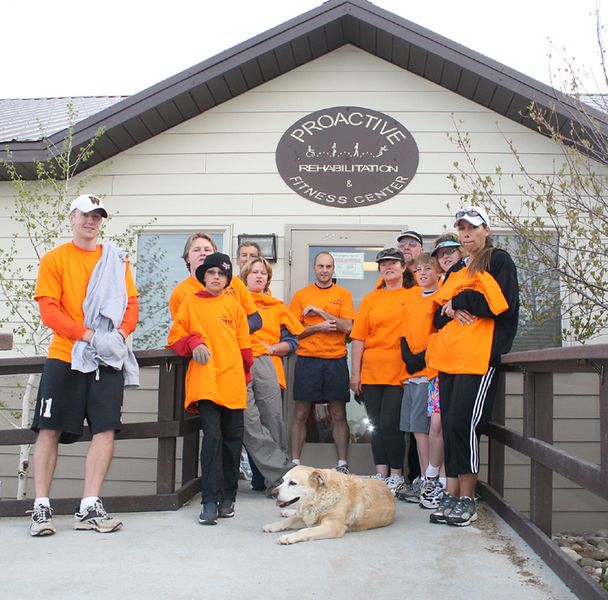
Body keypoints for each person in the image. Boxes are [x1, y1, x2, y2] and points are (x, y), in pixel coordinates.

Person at [29, 194, 139, 536]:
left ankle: (90, 505)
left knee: (106, 428)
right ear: (72, 218)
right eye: (85, 215)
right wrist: (90, 336)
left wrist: (119, 335)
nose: (91, 221)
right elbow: (50, 311)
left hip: (107, 358)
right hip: (66, 355)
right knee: (49, 429)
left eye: (97, 216)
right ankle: (41, 509)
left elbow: (132, 304)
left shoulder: (115, 260)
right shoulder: (55, 259)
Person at [427, 206, 519, 526]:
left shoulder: (498, 260)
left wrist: (462, 301)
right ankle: (451, 495)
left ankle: (468, 498)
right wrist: (451, 307)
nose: (466, 234)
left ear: (486, 231)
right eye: (462, 229)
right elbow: (438, 314)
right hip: (451, 358)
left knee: (465, 426)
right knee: (451, 425)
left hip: (478, 360)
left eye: (472, 228)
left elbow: (503, 306)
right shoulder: (457, 270)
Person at [168, 252, 253, 525]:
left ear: (228, 280)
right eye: (212, 273)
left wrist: (245, 374)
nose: (216, 277)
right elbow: (175, 336)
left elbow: (245, 350)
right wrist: (194, 342)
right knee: (212, 441)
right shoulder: (190, 304)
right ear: (203, 276)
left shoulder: (236, 307)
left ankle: (228, 497)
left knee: (232, 442)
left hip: (233, 384)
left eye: (222, 274)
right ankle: (209, 501)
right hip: (206, 384)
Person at [350, 248, 413, 492]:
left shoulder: (413, 295)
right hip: (372, 369)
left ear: (403, 267)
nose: (388, 267)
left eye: (393, 263)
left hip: (400, 370)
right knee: (375, 424)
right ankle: (381, 473)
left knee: (391, 423)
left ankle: (396, 475)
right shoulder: (370, 299)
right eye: (383, 264)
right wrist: (355, 374)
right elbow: (358, 338)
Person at [289, 252, 356, 473]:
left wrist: (320, 312)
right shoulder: (301, 295)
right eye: (320, 266)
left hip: (335, 361)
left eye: (328, 266)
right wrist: (317, 327)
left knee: (338, 414)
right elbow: (292, 334)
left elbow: (348, 328)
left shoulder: (343, 295)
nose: (324, 270)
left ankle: (342, 464)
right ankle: (296, 463)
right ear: (314, 268)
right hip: (308, 361)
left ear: (333, 268)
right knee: (301, 414)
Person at [240, 257, 303, 489]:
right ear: (245, 276)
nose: (259, 276)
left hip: (268, 365)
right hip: (240, 362)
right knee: (249, 421)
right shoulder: (234, 301)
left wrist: (273, 348)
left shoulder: (277, 307)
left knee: (273, 421)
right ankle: (279, 473)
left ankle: (272, 483)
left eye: (263, 273)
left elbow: (293, 342)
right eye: (254, 272)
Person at [396, 253, 443, 507]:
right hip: (410, 375)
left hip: (430, 372)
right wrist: (408, 357)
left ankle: (433, 478)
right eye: (418, 270)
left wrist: (423, 359)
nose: (423, 273)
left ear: (437, 271)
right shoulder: (412, 299)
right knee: (416, 429)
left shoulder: (441, 297)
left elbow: (440, 334)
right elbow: (404, 333)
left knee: (431, 427)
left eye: (428, 269)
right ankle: (424, 477)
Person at [169, 232, 262, 333]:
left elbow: (255, 320)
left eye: (207, 249)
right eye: (196, 250)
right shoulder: (181, 292)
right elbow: (182, 330)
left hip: (235, 346)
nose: (203, 253)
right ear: (187, 258)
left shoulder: (235, 283)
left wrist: (232, 330)